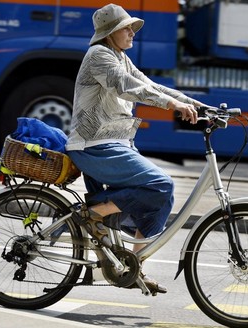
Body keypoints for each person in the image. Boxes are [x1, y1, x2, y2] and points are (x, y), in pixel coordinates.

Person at [66, 3, 204, 294]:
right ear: (110, 33)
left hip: (115, 143)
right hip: (94, 144)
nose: (132, 32)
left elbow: (151, 85)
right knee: (160, 183)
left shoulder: (119, 56)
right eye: (126, 28)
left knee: (160, 198)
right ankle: (95, 213)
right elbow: (126, 86)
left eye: (130, 27)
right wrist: (173, 106)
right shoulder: (99, 56)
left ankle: (133, 269)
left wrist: (195, 104)